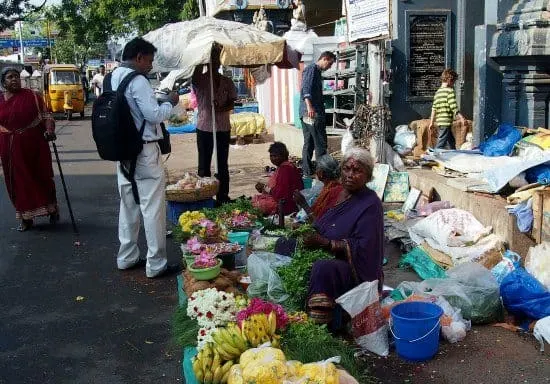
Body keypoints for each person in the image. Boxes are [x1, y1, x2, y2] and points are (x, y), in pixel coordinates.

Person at [112, 37, 180, 278]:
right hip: (144, 150)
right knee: (152, 207)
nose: (150, 66)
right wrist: (170, 103)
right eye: (149, 61)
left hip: (122, 150)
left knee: (128, 204)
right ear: (139, 57)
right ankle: (156, 263)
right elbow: (153, 115)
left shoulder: (113, 76)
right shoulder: (138, 80)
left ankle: (127, 257)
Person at [303, 148, 384, 325]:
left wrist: (326, 243)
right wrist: (306, 231)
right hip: (329, 254)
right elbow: (323, 223)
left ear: (368, 176)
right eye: (346, 169)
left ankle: (323, 324)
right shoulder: (339, 194)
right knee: (286, 244)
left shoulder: (371, 203)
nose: (350, 174)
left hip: (355, 270)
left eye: (357, 171)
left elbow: (365, 247)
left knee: (323, 267)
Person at [0, 67, 59, 232]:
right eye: (10, 77)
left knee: (41, 177)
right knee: (17, 182)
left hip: (35, 145)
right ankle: (26, 218)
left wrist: (49, 131)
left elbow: (46, 116)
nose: (14, 80)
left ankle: (51, 209)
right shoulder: (0, 101)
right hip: (9, 147)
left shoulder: (33, 96)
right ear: (3, 82)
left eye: (16, 77)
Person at [192, 49, 237, 204]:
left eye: (217, 60)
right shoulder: (200, 79)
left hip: (223, 128)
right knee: (204, 165)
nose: (215, 63)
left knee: (222, 164)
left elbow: (232, 101)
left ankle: (222, 196)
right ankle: (204, 197)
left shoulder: (227, 81)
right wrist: (202, 57)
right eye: (212, 60)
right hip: (205, 128)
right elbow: (195, 72)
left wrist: (222, 108)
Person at [300, 51, 336, 176]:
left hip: (306, 113)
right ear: (325, 59)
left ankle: (307, 171)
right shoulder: (312, 69)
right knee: (320, 143)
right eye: (330, 64)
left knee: (309, 143)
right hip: (312, 112)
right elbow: (306, 88)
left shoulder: (315, 71)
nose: (329, 67)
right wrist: (310, 107)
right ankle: (323, 172)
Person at [252, 142, 304, 216]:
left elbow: (281, 193)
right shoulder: (283, 167)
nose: (273, 159)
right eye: (271, 156)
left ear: (283, 156)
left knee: (256, 204)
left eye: (276, 156)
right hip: (284, 201)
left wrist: (264, 188)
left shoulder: (285, 169)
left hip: (286, 205)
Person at [293, 154, 343, 221]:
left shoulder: (333, 191)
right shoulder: (330, 187)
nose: (316, 172)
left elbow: (320, 222)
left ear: (321, 173)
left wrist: (304, 204)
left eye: (317, 169)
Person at [429, 68, 466, 149]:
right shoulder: (449, 91)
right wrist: (462, 117)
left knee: (451, 140)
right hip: (446, 122)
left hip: (440, 121)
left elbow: (434, 108)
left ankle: (453, 152)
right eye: (454, 82)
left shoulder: (438, 92)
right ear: (450, 80)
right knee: (441, 142)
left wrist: (431, 122)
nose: (453, 84)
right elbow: (454, 107)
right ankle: (435, 155)